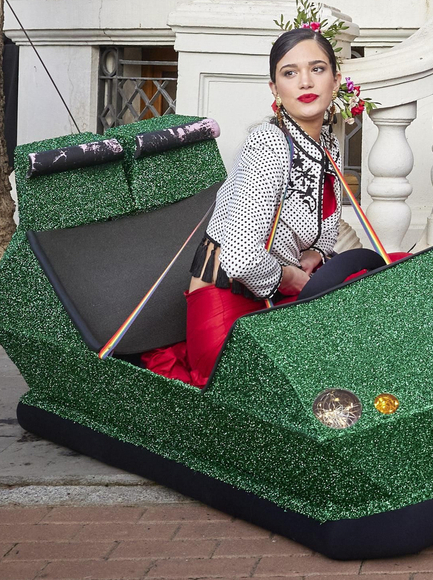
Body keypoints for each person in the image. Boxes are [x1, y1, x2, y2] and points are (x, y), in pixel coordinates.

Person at [144, 26, 382, 387]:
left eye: (317, 69)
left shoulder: (328, 145)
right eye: (290, 73)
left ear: (335, 80)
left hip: (280, 298)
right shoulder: (268, 144)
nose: (305, 82)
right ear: (275, 89)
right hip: (228, 306)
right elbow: (239, 257)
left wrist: (316, 255)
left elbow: (328, 225)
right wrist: (290, 277)